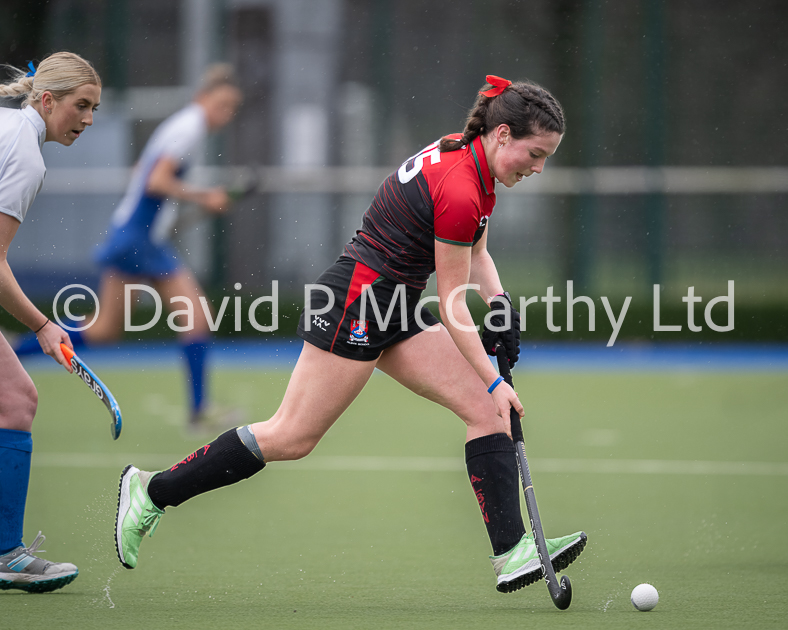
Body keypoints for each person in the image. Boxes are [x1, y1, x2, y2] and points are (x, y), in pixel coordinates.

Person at [114, 75, 587, 593]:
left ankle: (512, 552)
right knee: (292, 436)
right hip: (357, 301)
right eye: (535, 153)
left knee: (483, 408)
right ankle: (152, 492)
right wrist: (497, 377)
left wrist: (499, 307)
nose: (539, 168)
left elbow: (477, 254)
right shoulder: (459, 184)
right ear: (502, 135)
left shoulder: (472, 160)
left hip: (395, 300)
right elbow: (452, 303)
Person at [14, 64, 244, 432]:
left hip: (135, 234)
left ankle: (12, 351)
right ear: (203, 97)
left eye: (232, 107)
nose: (226, 113)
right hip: (140, 238)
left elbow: (144, 170)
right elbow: (156, 180)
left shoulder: (182, 127)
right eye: (222, 103)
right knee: (197, 317)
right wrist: (206, 195)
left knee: (104, 330)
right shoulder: (190, 126)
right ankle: (199, 411)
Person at [0, 52, 101, 593]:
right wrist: (43, 325)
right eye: (79, 106)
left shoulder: (8, 126)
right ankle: (5, 554)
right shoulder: (24, 151)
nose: (87, 120)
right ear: (46, 100)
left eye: (94, 109)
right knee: (16, 401)